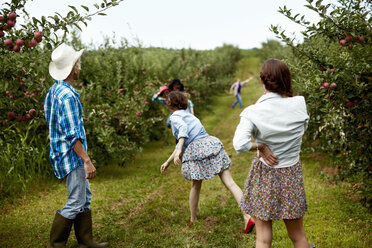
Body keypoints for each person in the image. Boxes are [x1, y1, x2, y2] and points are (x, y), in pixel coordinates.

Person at [233, 59, 311, 248]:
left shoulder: (253, 112)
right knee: (298, 236)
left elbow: (240, 145)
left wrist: (260, 145)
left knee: (263, 238)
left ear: (262, 80)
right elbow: (303, 129)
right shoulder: (299, 104)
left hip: (265, 174)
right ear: (286, 80)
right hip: (291, 173)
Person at [160, 91, 255, 233]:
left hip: (197, 149)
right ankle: (248, 216)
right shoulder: (190, 116)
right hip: (211, 144)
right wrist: (168, 161)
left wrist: (179, 149)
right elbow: (182, 139)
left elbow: (183, 133)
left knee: (195, 186)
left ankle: (193, 219)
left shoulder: (174, 117)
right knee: (230, 183)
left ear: (170, 104)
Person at [44, 43, 109, 248]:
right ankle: (55, 244)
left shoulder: (54, 91)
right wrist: (87, 161)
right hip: (72, 155)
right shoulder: (68, 96)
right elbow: (73, 135)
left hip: (61, 152)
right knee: (77, 200)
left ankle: (86, 241)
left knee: (84, 196)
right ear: (74, 67)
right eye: (77, 63)